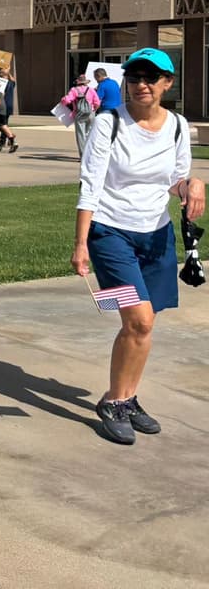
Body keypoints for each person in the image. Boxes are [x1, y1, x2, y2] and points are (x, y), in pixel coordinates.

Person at [73, 47, 204, 444]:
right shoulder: (108, 123)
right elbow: (90, 184)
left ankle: (126, 398)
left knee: (145, 325)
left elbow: (176, 181)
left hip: (157, 235)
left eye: (151, 78)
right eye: (134, 78)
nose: (141, 85)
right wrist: (81, 244)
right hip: (109, 234)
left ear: (168, 83)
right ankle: (114, 402)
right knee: (138, 321)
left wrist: (193, 185)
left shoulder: (179, 126)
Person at [60, 73, 100, 158]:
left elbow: (67, 100)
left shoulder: (74, 90)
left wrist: (62, 100)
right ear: (85, 82)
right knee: (90, 134)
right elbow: (97, 102)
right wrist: (94, 110)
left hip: (79, 114)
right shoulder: (91, 90)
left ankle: (83, 156)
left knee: (80, 135)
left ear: (78, 82)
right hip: (90, 113)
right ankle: (91, 154)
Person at [0, 67, 18, 152]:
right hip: (9, 105)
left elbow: (2, 94)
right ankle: (6, 139)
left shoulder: (2, 83)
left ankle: (5, 140)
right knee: (4, 124)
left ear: (3, 74)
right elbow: (13, 80)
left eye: (0, 72)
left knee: (0, 124)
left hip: (3, 105)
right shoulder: (11, 82)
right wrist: (8, 72)